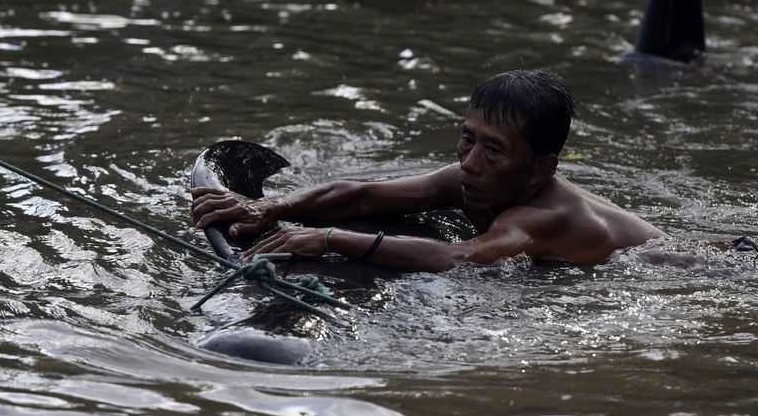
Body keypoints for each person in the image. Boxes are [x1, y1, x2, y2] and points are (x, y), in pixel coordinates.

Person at [190, 69, 669, 272]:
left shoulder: (545, 216)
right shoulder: (470, 174)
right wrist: (266, 206)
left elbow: (457, 259)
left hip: (712, 266)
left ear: (540, 167)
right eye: (467, 138)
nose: (469, 162)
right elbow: (364, 195)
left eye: (494, 150)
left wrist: (330, 239)